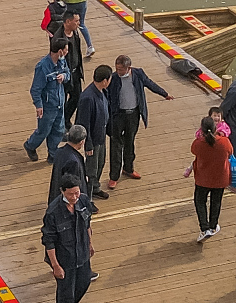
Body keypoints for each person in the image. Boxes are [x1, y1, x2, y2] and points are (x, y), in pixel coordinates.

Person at [41, 177, 95, 303]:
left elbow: (87, 224)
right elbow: (48, 241)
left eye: (77, 192)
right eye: (71, 194)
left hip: (82, 253)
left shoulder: (83, 200)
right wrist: (55, 265)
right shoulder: (53, 212)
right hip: (65, 258)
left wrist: (90, 244)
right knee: (65, 292)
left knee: (84, 281)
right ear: (62, 191)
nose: (75, 197)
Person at [105, 54, 170, 189]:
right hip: (118, 115)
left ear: (128, 68)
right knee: (116, 145)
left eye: (121, 69)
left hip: (133, 114)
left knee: (130, 141)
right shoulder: (113, 78)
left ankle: (128, 168)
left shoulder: (138, 74)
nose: (118, 72)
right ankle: (114, 176)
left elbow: (150, 83)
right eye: (117, 69)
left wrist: (164, 93)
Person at [25, 37, 71, 161]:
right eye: (66, 49)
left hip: (59, 103)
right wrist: (39, 106)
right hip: (47, 106)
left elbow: (68, 73)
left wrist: (64, 76)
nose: (67, 51)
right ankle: (30, 145)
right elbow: (35, 89)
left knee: (58, 129)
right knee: (44, 131)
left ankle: (52, 154)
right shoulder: (42, 67)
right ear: (60, 51)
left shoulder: (62, 61)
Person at [187, 115, 232, 242]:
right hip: (220, 178)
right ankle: (213, 226)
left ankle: (204, 227)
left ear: (201, 130)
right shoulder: (224, 142)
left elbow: (194, 151)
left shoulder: (198, 143)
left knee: (200, 201)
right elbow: (231, 151)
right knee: (216, 201)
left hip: (203, 178)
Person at [73, 65, 114, 200]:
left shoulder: (102, 92)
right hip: (93, 140)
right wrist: (88, 144)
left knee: (100, 163)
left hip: (101, 136)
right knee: (91, 170)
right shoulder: (88, 98)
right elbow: (83, 123)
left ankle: (95, 188)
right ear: (104, 81)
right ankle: (87, 198)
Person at [49, 125, 88, 206]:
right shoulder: (73, 161)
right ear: (81, 142)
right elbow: (72, 185)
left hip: (56, 194)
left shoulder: (59, 151)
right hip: (68, 202)